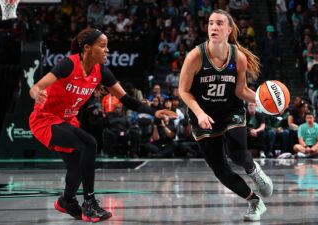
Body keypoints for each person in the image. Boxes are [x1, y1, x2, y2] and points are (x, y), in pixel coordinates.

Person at [28, 28, 177, 222]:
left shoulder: (102, 72)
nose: (107, 50)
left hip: (66, 121)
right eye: (103, 46)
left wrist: (154, 112)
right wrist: (36, 93)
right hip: (45, 119)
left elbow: (128, 100)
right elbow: (36, 86)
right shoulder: (68, 65)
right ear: (88, 48)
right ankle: (89, 202)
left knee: (76, 169)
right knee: (89, 143)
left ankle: (66, 201)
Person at [179, 9, 272, 222]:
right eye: (211, 23)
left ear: (229, 30)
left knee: (237, 153)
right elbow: (183, 91)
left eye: (219, 23)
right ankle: (255, 201)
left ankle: (254, 170)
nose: (214, 27)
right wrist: (200, 113)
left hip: (231, 110)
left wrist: (261, 100)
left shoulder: (237, 57)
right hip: (203, 116)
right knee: (221, 170)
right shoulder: (195, 56)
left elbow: (240, 90)